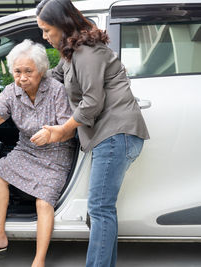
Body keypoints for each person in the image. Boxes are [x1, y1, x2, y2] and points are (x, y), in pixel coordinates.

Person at [32, 1, 150, 266]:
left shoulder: (87, 53)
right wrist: (29, 76)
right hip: (109, 136)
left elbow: (92, 102)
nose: (44, 36)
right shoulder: (71, 53)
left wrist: (62, 130)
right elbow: (56, 77)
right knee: (102, 210)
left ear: (62, 25)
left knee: (99, 209)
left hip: (116, 134)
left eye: (47, 30)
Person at [0, 39, 75, 267]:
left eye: (28, 72)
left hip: (56, 153)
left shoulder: (56, 90)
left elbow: (69, 132)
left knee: (43, 201)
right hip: (26, 149)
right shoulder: (11, 92)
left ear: (40, 70)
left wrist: (52, 135)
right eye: (17, 71)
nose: (22, 78)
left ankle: (38, 261)